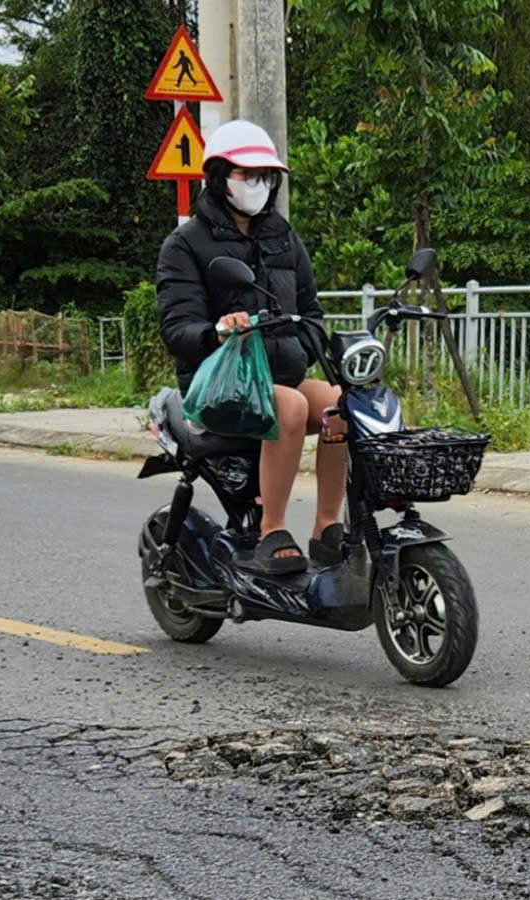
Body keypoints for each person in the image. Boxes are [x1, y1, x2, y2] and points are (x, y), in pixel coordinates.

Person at [155, 121, 347, 577]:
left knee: (344, 405)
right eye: (247, 175)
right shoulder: (185, 244)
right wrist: (218, 331)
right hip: (217, 385)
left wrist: (304, 338)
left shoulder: (283, 237)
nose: (258, 185)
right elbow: (177, 328)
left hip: (281, 375)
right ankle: (272, 530)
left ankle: (326, 527)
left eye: (265, 176)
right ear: (220, 176)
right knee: (294, 407)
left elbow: (311, 312)